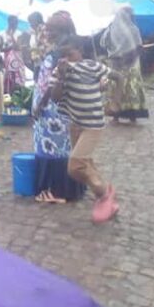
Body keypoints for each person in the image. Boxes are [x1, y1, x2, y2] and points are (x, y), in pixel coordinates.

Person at [50, 36, 121, 223]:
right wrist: (62, 78)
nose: (67, 59)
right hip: (76, 124)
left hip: (93, 124)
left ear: (80, 51)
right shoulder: (59, 72)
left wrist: (115, 101)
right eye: (63, 55)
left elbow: (118, 77)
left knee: (75, 167)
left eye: (70, 54)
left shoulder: (92, 66)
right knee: (86, 163)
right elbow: (55, 98)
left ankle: (103, 194)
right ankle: (107, 198)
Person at [31, 11, 82, 203]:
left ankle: (54, 190)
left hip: (52, 109)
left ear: (61, 30)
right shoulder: (71, 48)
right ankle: (69, 189)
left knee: (52, 147)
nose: (47, 32)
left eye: (51, 29)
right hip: (63, 107)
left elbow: (51, 84)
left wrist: (40, 104)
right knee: (64, 146)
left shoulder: (60, 53)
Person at [100, 6, 149, 123]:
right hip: (131, 62)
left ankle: (115, 115)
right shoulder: (133, 29)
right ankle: (133, 115)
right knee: (131, 88)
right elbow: (139, 46)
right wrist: (129, 57)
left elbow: (103, 43)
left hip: (115, 63)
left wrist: (115, 51)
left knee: (115, 87)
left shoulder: (110, 29)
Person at [2, 15, 26, 95]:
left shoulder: (19, 34)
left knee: (18, 79)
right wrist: (9, 47)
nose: (14, 25)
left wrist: (12, 36)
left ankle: (18, 95)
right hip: (7, 61)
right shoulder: (2, 33)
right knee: (8, 79)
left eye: (15, 23)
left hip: (18, 61)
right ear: (9, 22)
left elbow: (18, 47)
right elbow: (1, 48)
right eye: (12, 23)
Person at [28, 12, 47, 79]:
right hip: (38, 61)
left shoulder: (42, 29)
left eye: (31, 22)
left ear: (36, 21)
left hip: (42, 61)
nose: (30, 25)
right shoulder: (36, 31)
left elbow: (44, 45)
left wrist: (33, 49)